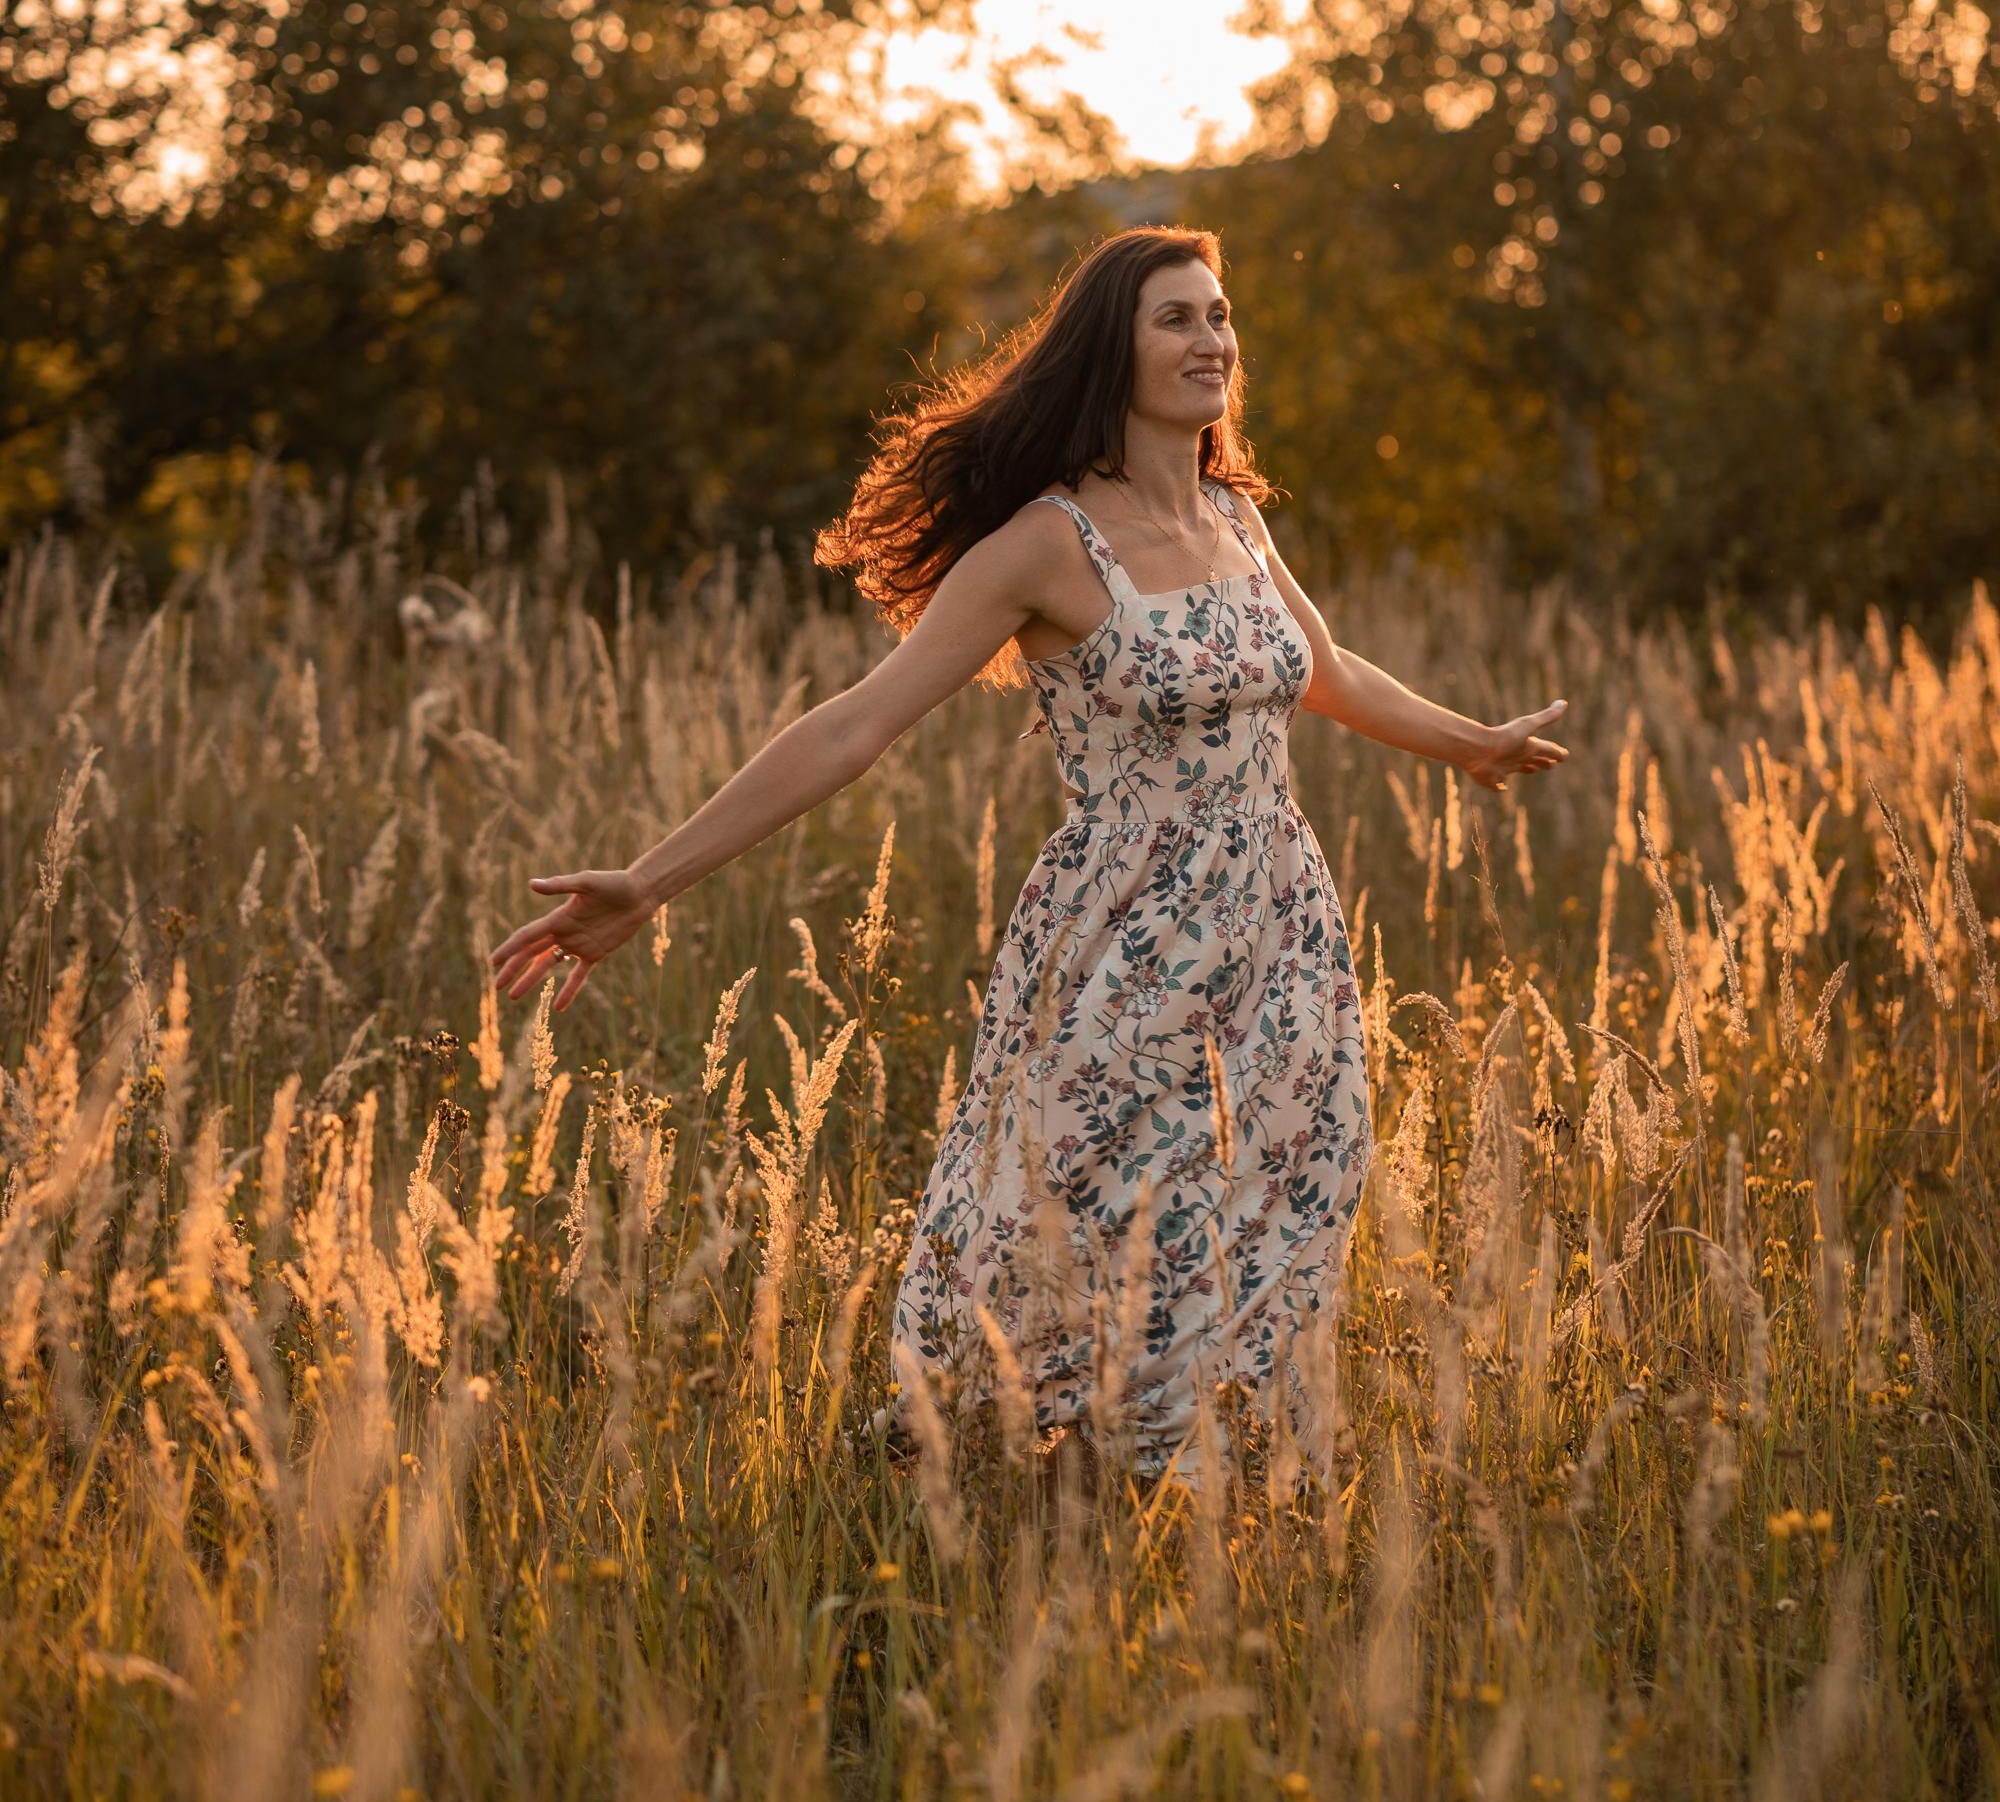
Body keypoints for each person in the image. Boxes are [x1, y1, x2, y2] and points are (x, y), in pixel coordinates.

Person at [490, 226, 1567, 1476]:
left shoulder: (1232, 519)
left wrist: (1467, 745)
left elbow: (1316, 670)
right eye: (1175, 318)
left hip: (1280, 923)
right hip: (1126, 941)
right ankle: (1030, 1482)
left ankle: (1164, 1512)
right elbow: (857, 723)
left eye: (1219, 315)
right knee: (1119, 1235)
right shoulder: (1047, 546)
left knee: (1289, 1200)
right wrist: (651, 880)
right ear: (1109, 348)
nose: (1210, 339)